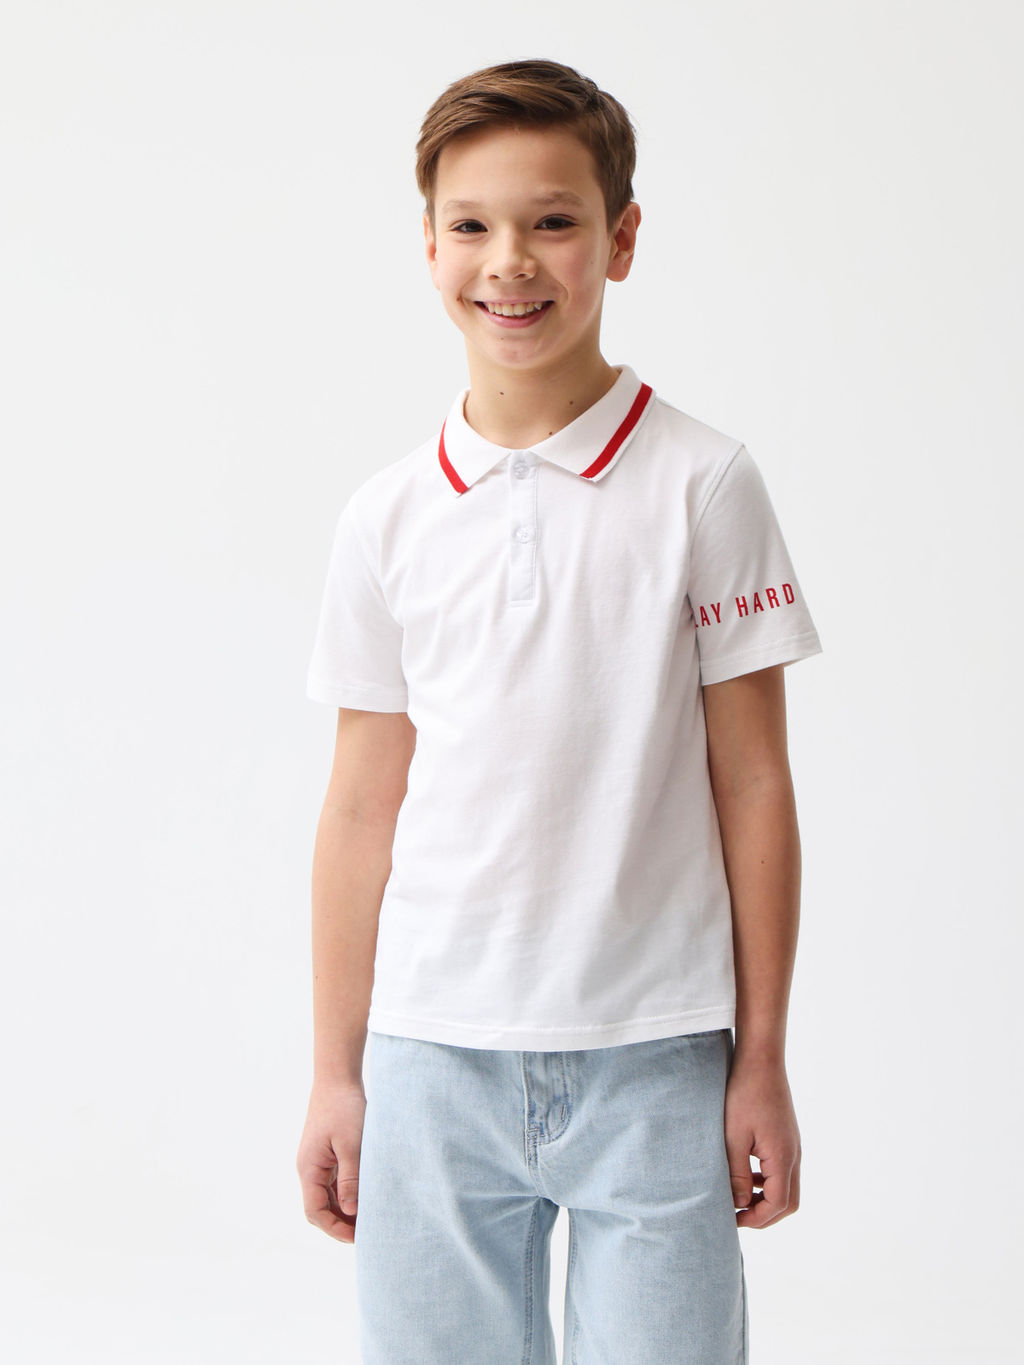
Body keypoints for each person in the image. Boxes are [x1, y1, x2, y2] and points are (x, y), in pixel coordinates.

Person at [296, 58, 822, 1364]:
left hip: (656, 1055)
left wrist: (760, 1057)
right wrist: (337, 1070)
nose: (510, 262)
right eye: (471, 224)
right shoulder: (386, 518)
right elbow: (360, 803)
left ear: (621, 239)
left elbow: (755, 781)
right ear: (428, 246)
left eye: (553, 221)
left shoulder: (704, 483)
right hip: (430, 1058)